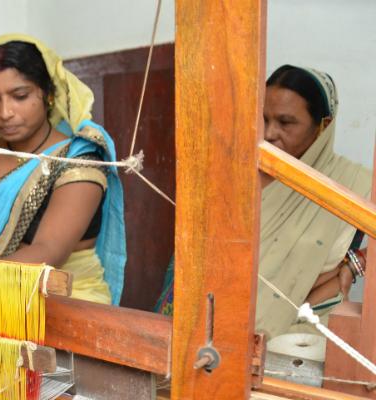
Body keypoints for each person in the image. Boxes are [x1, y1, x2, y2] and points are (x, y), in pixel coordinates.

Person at [155, 65, 371, 339]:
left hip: (300, 341)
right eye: (264, 119)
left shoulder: (351, 183)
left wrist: (357, 262)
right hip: (211, 339)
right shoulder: (236, 179)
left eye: (286, 122)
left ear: (323, 126)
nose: (269, 133)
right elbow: (193, 264)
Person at [0, 34, 127, 305]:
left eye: (19, 96)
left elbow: (48, 251)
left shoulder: (79, 160)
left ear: (48, 94)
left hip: (64, 307)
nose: (5, 112)